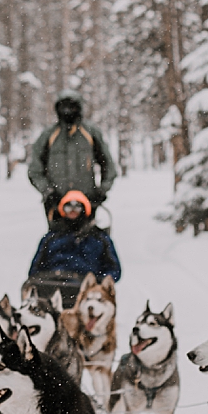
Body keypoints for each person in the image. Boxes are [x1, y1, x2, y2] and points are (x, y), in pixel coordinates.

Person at [27, 90, 117, 221]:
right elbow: (35, 170)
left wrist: (102, 190)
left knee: (87, 237)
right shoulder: (48, 135)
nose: (68, 111)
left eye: (72, 107)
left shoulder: (91, 133)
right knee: (57, 239)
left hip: (87, 200)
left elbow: (108, 164)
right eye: (64, 107)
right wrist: (48, 191)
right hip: (56, 202)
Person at [27, 190, 121, 298]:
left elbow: (114, 270)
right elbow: (35, 269)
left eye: (77, 206)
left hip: (86, 290)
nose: (73, 211)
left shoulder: (99, 238)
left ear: (85, 209)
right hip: (52, 286)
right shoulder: (52, 237)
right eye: (68, 207)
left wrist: (99, 281)